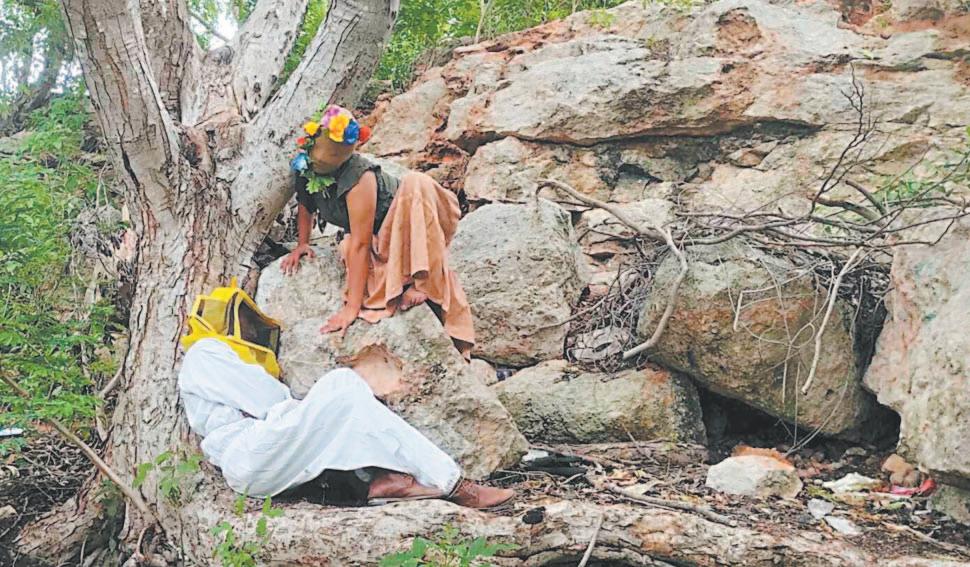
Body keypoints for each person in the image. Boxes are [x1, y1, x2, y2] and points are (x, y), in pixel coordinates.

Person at [178, 337, 514, 508]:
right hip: (246, 452)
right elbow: (270, 402)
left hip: (263, 465)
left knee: (345, 409)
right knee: (341, 384)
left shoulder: (217, 374)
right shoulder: (205, 352)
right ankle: (454, 484)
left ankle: (382, 482)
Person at [279, 105, 474, 357]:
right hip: (378, 242)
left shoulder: (360, 177)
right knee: (346, 247)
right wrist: (302, 244)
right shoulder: (306, 167)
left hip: (406, 227)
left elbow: (361, 244)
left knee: (417, 182)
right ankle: (399, 281)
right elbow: (306, 205)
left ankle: (425, 283)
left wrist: (351, 309)